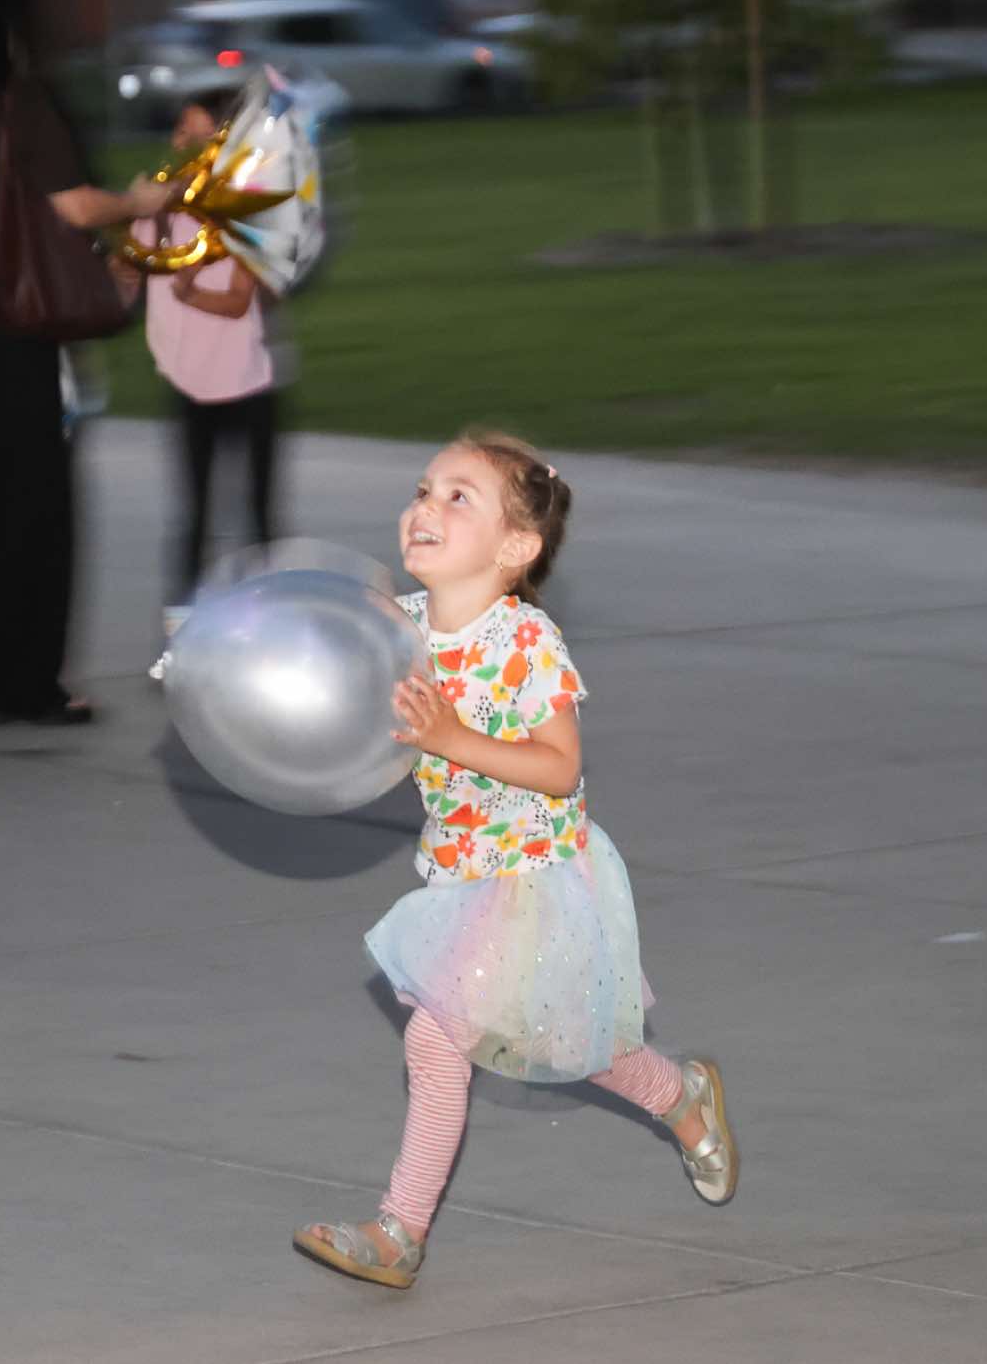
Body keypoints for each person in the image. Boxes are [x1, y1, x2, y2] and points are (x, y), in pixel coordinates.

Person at [293, 432, 739, 1290]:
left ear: (515, 548)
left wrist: (450, 736)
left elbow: (560, 766)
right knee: (577, 1043)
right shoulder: (400, 626)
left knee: (437, 1039)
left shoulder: (526, 641)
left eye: (458, 496)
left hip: (537, 875)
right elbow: (334, 672)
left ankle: (399, 1230)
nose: (426, 506)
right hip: (462, 874)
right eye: (422, 489)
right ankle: (681, 1096)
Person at [0, 0, 174, 726]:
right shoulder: (24, 100)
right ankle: (27, 687)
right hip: (17, 327)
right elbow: (74, 207)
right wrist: (138, 201)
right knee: (35, 512)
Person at [124, 90, 284, 634]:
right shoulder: (159, 217)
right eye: (181, 132)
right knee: (192, 518)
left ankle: (274, 626)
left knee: (259, 518)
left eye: (197, 134)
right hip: (186, 382)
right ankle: (183, 632)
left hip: (247, 384)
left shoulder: (243, 214)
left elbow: (239, 301)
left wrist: (189, 293)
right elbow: (126, 280)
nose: (182, 143)